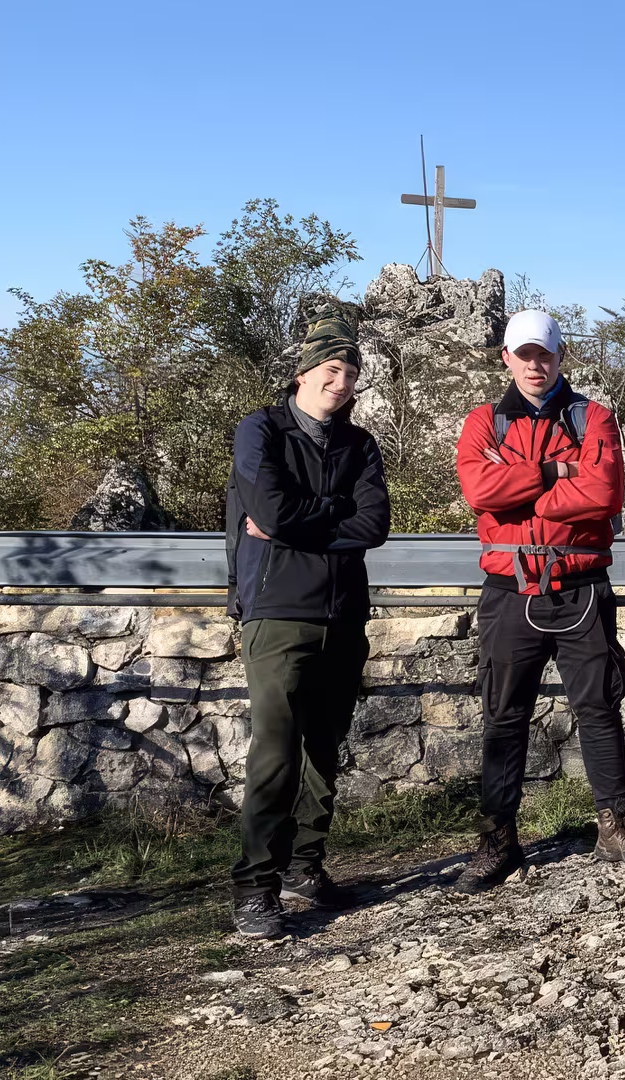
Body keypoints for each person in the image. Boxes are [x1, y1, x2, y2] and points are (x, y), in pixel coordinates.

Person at [452, 309, 625, 892]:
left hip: (581, 586)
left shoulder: (594, 416)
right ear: (506, 358)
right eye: (524, 355)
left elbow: (604, 492)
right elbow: (479, 490)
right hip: (509, 589)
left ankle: (616, 829)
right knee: (503, 716)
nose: (534, 365)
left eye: (543, 354)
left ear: (560, 356)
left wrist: (523, 488)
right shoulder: (483, 421)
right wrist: (556, 470)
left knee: (599, 709)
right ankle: (497, 841)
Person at [225, 306, 391, 938]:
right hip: (277, 613)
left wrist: (303, 519)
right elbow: (269, 509)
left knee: (324, 748)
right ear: (303, 372)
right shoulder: (261, 430)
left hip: (344, 614)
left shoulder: (360, 445)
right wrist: (333, 514)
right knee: (274, 751)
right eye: (331, 369)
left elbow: (373, 525)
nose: (341, 383)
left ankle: (304, 868)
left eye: (350, 373)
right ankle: (255, 888)